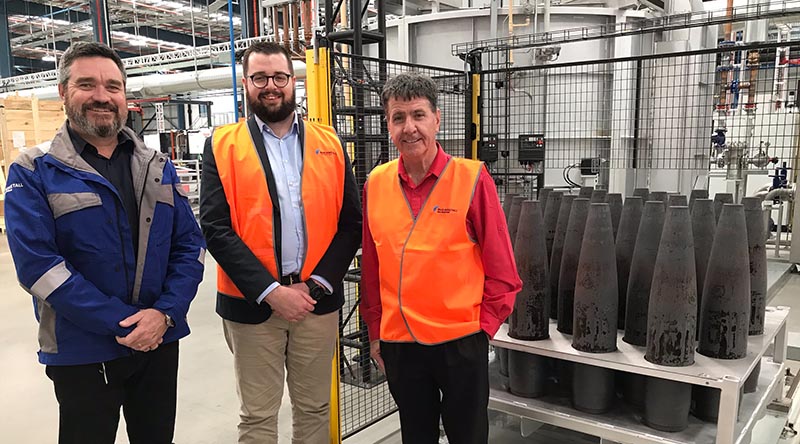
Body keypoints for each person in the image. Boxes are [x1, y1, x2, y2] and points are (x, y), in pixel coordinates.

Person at [3, 41, 206, 444]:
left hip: (158, 342)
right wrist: (126, 323)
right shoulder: (33, 171)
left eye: (113, 86)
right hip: (83, 350)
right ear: (63, 92)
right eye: (87, 84)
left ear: (125, 95)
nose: (102, 96)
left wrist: (164, 314)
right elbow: (38, 268)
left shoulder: (156, 166)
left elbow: (190, 248)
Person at [199, 41, 361, 444]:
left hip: (315, 303)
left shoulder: (332, 144)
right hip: (251, 304)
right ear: (245, 83)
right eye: (259, 78)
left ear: (294, 82)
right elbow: (215, 228)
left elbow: (351, 224)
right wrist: (272, 292)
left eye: (279, 77)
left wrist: (316, 284)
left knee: (315, 409)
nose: (270, 86)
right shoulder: (222, 145)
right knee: (257, 417)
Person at [359, 72, 522, 443]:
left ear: (437, 119)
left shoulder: (471, 179)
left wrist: (483, 329)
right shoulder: (376, 184)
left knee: (467, 436)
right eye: (398, 118)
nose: (409, 128)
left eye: (418, 115)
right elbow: (372, 268)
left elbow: (503, 269)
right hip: (400, 344)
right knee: (416, 436)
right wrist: (375, 333)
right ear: (388, 125)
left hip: (460, 342)